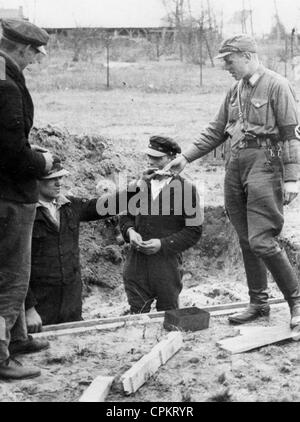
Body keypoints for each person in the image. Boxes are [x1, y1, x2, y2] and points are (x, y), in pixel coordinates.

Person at [165, 34, 300, 327]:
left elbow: (290, 135)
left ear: (247, 56)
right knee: (245, 237)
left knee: (262, 239)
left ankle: (296, 302)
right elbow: (216, 130)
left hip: (266, 163)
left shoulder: (278, 85)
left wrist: (292, 179)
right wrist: (186, 157)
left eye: (229, 60)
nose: (226, 66)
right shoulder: (234, 92)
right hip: (236, 163)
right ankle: (258, 303)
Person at [0, 19, 57, 380]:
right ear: (20, 48)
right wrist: (42, 161)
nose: (36, 59)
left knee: (13, 274)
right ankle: (1, 357)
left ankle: (17, 339)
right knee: (11, 278)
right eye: (35, 53)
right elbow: (11, 154)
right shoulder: (5, 86)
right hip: (10, 194)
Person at [25, 159, 132, 331]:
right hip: (39, 307)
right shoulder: (23, 213)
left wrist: (140, 187)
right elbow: (11, 267)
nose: (58, 182)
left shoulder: (70, 205)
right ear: (34, 180)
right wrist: (27, 308)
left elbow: (103, 206)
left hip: (71, 303)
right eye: (52, 178)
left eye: (60, 177)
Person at [119, 136, 203, 313]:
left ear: (172, 159)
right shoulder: (138, 185)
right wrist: (130, 232)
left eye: (158, 158)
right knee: (137, 315)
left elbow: (194, 231)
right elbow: (125, 217)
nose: (151, 162)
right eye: (150, 157)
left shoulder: (186, 190)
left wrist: (163, 244)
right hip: (136, 264)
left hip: (166, 265)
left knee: (168, 315)